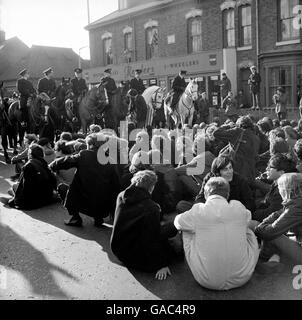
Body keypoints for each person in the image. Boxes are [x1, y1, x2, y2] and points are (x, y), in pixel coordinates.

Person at [174, 177, 259, 290]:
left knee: (187, 229)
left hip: (206, 280)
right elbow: (248, 216)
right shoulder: (239, 208)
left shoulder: (198, 211)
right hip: (243, 277)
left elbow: (177, 222)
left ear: (205, 194)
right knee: (246, 228)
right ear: (228, 194)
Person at [111, 170, 178, 280]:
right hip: (138, 257)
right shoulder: (151, 208)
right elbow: (152, 238)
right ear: (151, 187)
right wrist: (161, 264)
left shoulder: (121, 195)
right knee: (172, 227)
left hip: (119, 251)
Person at [49, 133, 120, 227]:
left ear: (90, 145)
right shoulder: (110, 160)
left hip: (83, 198)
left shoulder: (84, 154)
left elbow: (66, 161)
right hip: (101, 203)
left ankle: (75, 217)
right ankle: (98, 218)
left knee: (63, 188)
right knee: (99, 191)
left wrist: (51, 166)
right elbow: (116, 183)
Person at [254, 173, 302, 273]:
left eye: (280, 188)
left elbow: (269, 232)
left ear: (287, 189)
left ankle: (264, 259)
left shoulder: (297, 206)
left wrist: (260, 227)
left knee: (271, 233)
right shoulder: (296, 202)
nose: (279, 191)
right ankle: (273, 260)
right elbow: (278, 216)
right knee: (275, 229)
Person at [7, 144, 57, 210]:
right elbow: (53, 181)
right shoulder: (44, 163)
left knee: (12, 188)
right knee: (13, 189)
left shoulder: (29, 165)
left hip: (32, 201)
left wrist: (16, 201)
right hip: (46, 197)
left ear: (30, 154)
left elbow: (25, 188)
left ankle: (12, 198)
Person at [213, 115, 259, 182]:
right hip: (249, 173)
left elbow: (216, 133)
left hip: (235, 170)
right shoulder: (256, 138)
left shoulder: (237, 131)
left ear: (239, 124)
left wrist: (228, 125)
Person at [253, 154, 297, 222]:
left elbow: (271, 213)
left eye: (270, 167)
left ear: (281, 172)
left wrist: (252, 213)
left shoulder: (282, 190)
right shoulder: (277, 182)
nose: (266, 169)